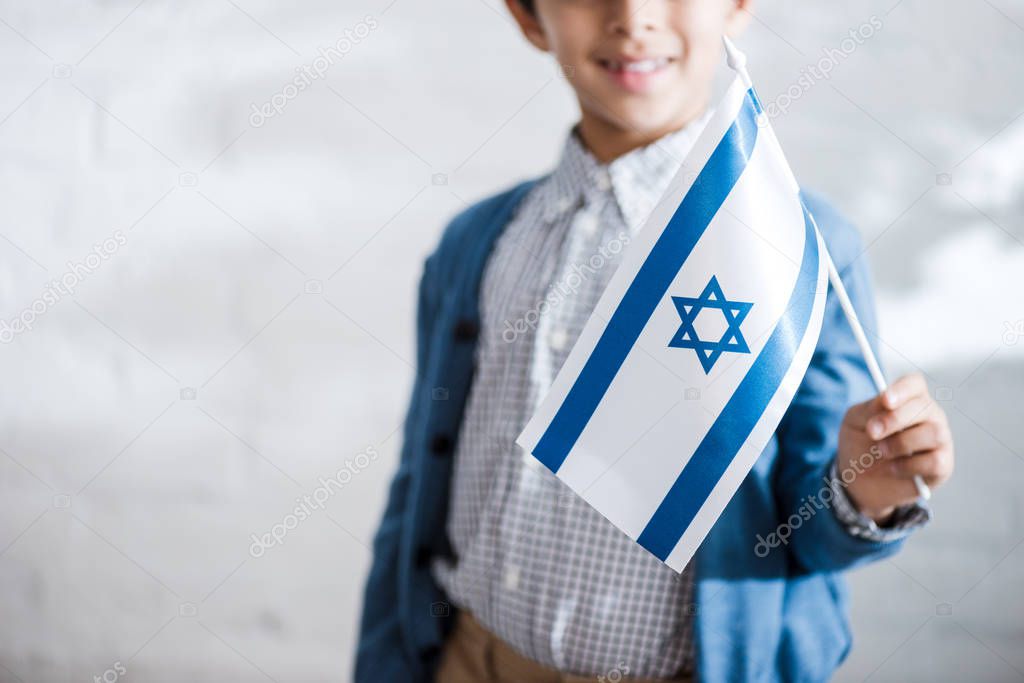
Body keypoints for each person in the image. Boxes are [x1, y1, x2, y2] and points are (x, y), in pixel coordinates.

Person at [354, 1, 955, 681]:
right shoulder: (477, 241)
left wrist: (861, 488)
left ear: (736, 6)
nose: (633, 17)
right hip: (467, 654)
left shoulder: (791, 246)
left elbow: (806, 533)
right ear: (527, 17)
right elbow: (417, 483)